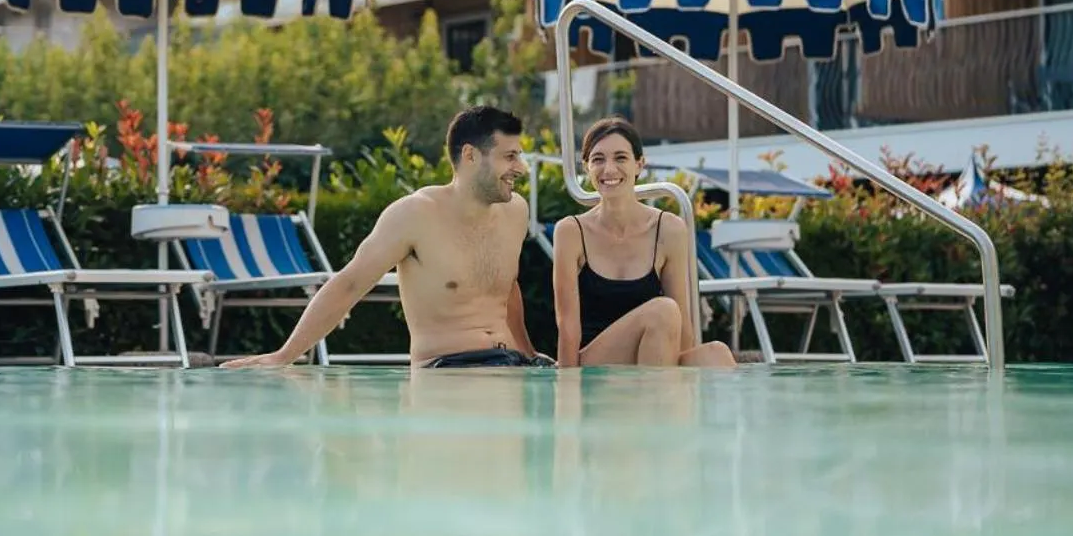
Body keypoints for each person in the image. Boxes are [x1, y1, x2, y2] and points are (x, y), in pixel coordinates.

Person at [223, 105, 550, 369]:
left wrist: (529, 354)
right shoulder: (415, 215)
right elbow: (349, 283)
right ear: (470, 156)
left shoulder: (515, 212)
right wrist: (283, 357)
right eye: (510, 156)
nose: (521, 168)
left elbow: (506, 288)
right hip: (448, 369)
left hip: (508, 365)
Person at [553, 116, 735, 368]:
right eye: (598, 159)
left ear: (639, 164)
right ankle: (657, 403)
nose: (609, 169)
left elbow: (683, 325)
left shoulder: (668, 229)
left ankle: (670, 403)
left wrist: (687, 375)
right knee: (662, 311)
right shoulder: (571, 231)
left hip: (652, 362)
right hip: (595, 368)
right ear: (586, 167)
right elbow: (567, 326)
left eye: (620, 158)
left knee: (716, 354)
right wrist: (567, 388)